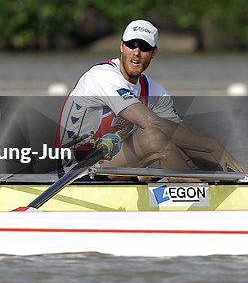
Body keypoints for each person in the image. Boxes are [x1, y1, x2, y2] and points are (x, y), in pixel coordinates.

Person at [56, 19, 247, 174]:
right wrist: (212, 145)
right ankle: (192, 195)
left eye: (144, 47)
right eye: (131, 45)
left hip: (111, 160)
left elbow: (181, 136)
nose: (136, 52)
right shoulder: (102, 76)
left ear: (154, 53)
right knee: (156, 138)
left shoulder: (154, 90)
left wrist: (214, 152)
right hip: (76, 166)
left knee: (192, 140)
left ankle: (233, 180)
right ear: (121, 46)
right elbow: (152, 124)